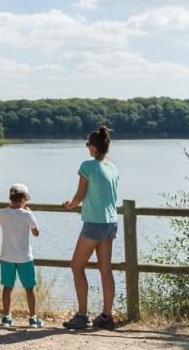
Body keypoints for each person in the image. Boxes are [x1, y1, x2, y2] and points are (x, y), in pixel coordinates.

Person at [63, 126, 119, 331]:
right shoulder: (112, 167)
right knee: (105, 269)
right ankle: (106, 316)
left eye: (88, 145)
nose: (87, 148)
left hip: (94, 222)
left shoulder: (87, 166)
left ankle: (82, 315)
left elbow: (79, 196)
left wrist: (69, 205)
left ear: (94, 148)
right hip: (111, 222)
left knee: (76, 266)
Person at [0, 183, 42, 328]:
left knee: (7, 287)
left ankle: (6, 317)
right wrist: (28, 212)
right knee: (29, 288)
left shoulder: (2, 212)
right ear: (24, 198)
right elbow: (36, 233)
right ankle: (33, 318)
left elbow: (3, 222)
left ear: (10, 198)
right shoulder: (28, 214)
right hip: (24, 257)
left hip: (6, 257)